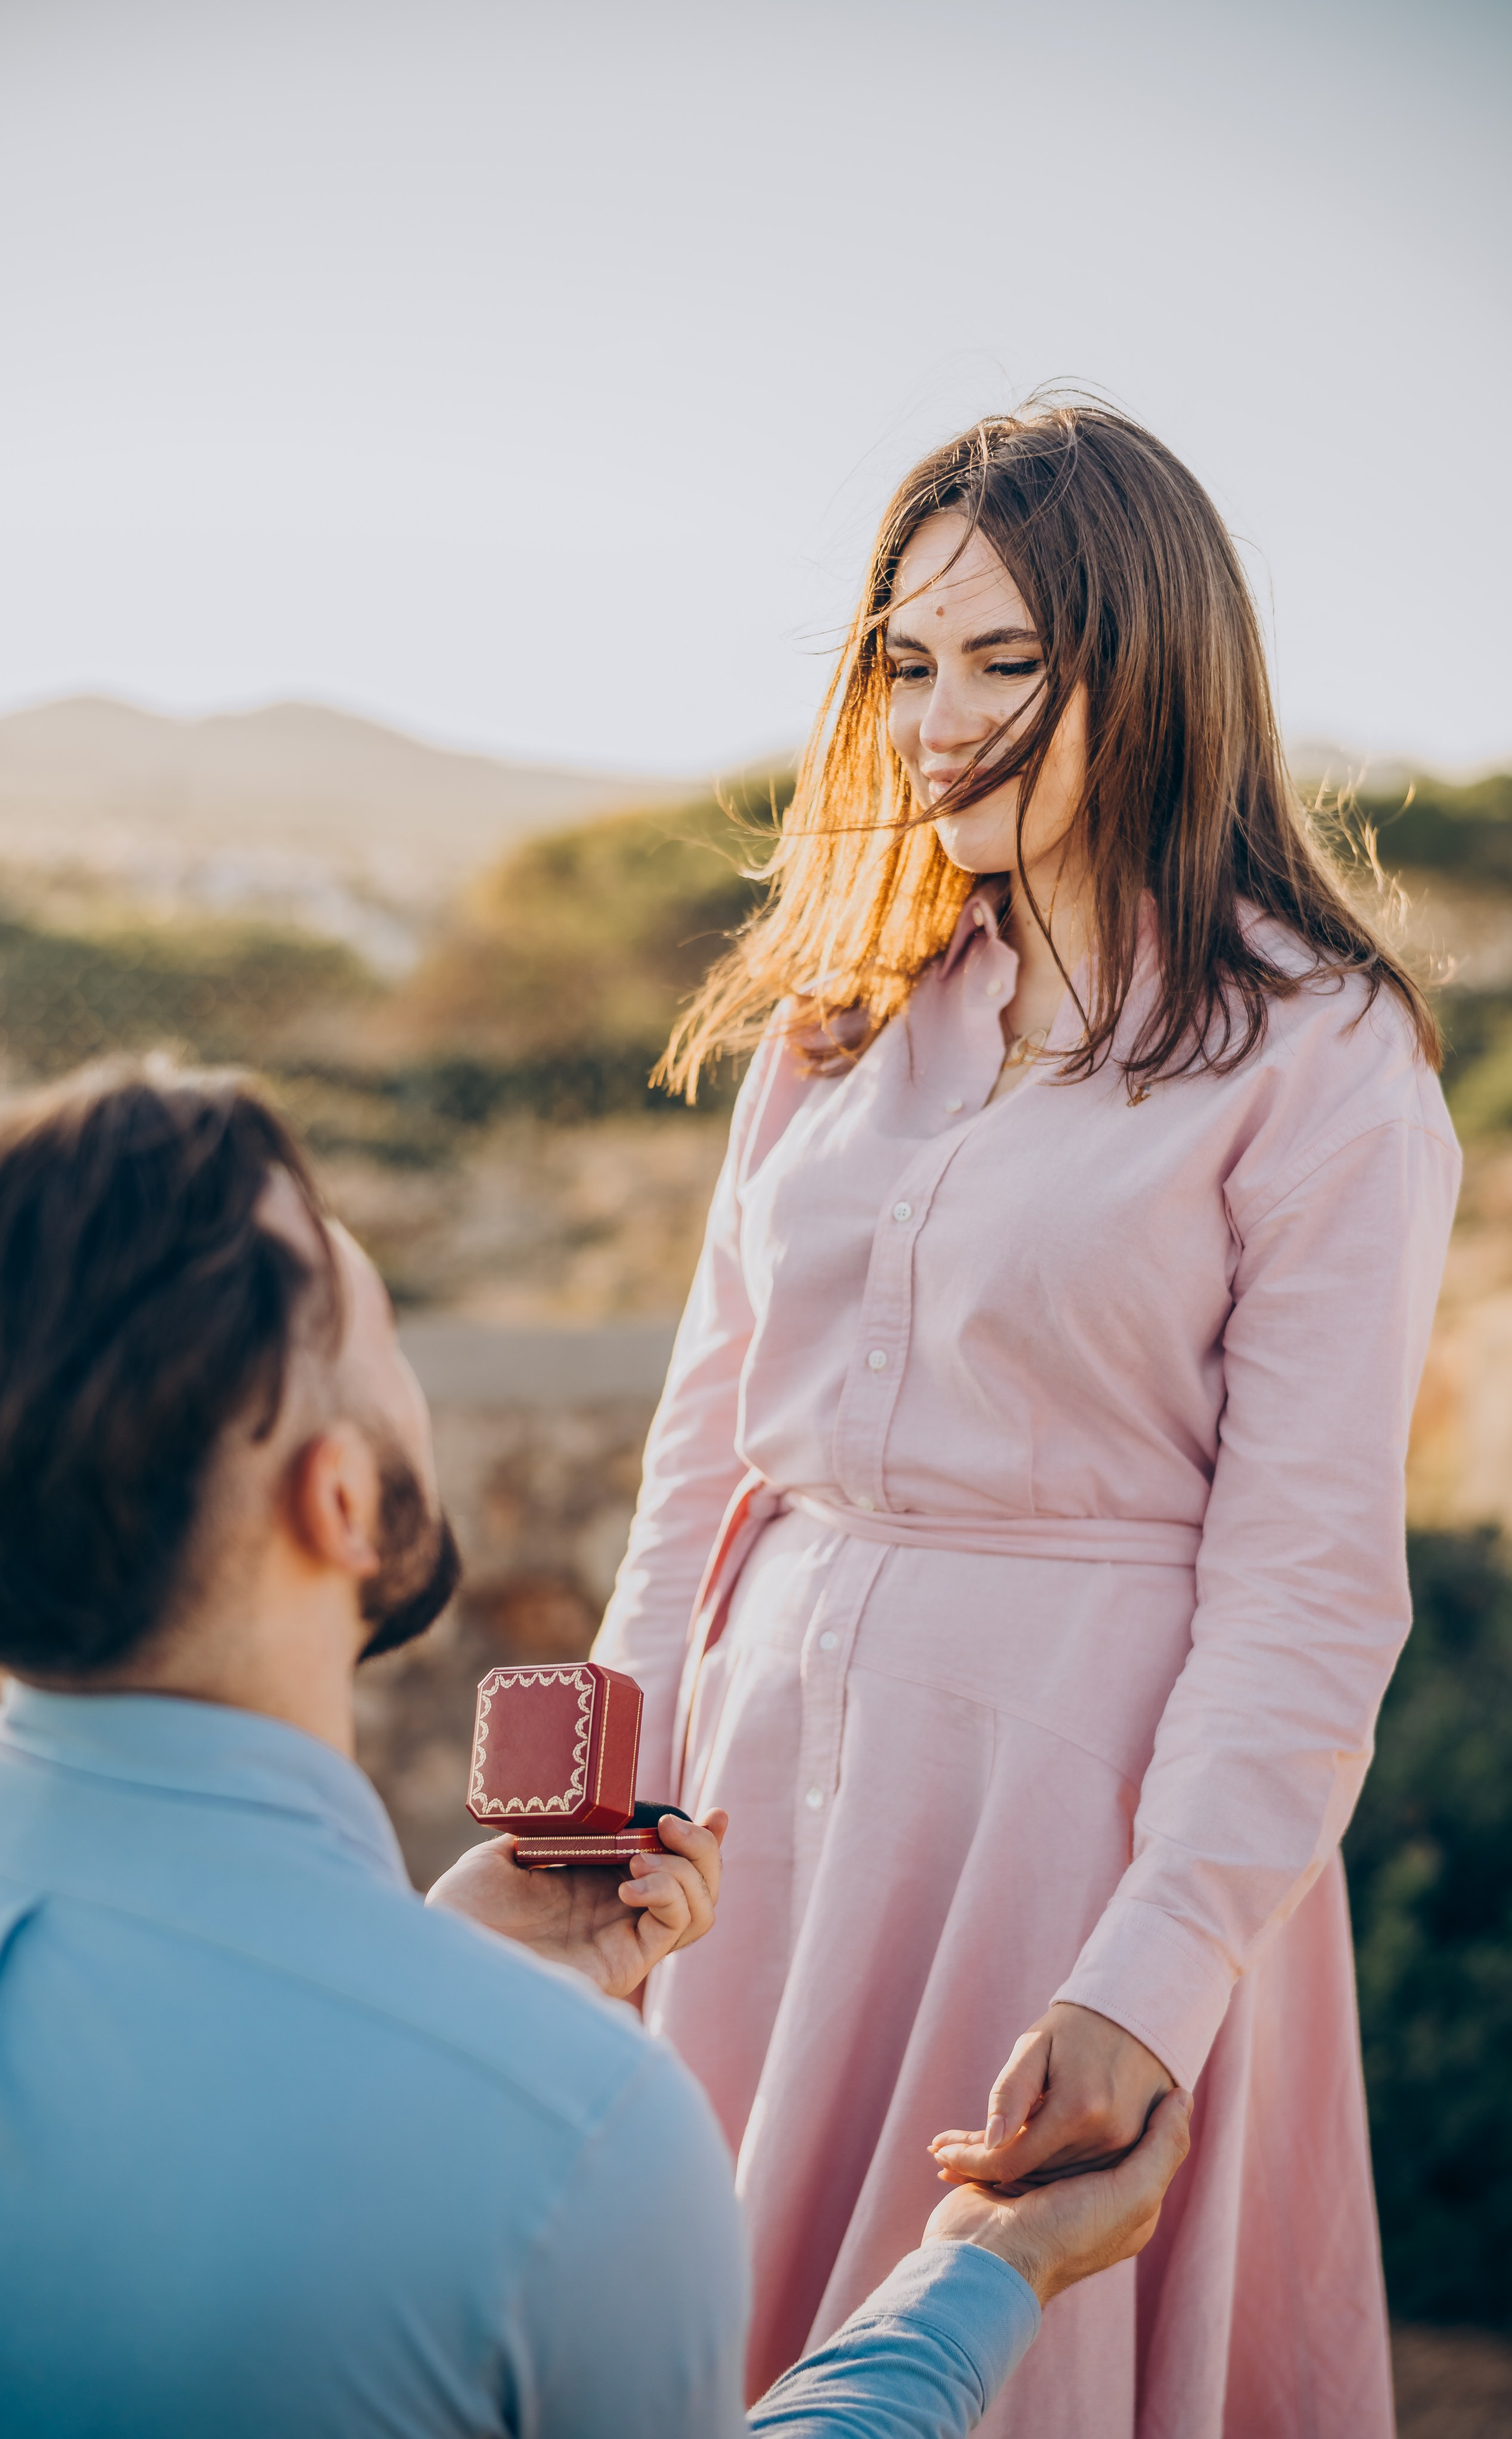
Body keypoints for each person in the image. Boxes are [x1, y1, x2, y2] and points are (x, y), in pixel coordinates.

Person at [0, 1061, 1191, 2439]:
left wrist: (446, 1969)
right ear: (336, 1499)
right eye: (375, 1315)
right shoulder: (569, 2132)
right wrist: (980, 2278)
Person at [593, 400, 1461, 2436]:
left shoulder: (1322, 1062)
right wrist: (608, 1797)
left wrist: (1149, 1973)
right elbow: (699, 1455)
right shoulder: (836, 1021)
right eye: (907, 661)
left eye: (1008, 661)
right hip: (753, 1797)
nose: (938, 718)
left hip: (1082, 1825)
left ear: (1152, 669)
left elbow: (1312, 1583)